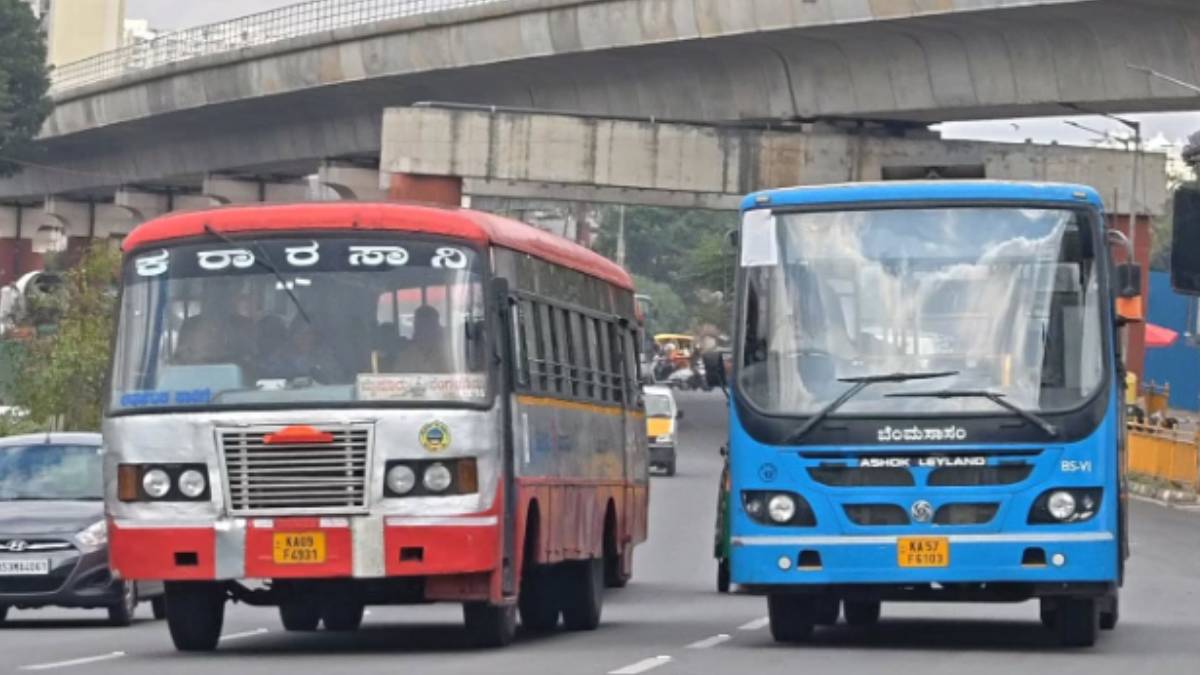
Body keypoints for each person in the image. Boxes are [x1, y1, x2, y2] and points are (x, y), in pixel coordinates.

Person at [391, 305, 452, 373]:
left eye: (430, 324)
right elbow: (399, 377)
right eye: (421, 324)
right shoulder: (406, 356)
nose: (425, 329)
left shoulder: (450, 355)